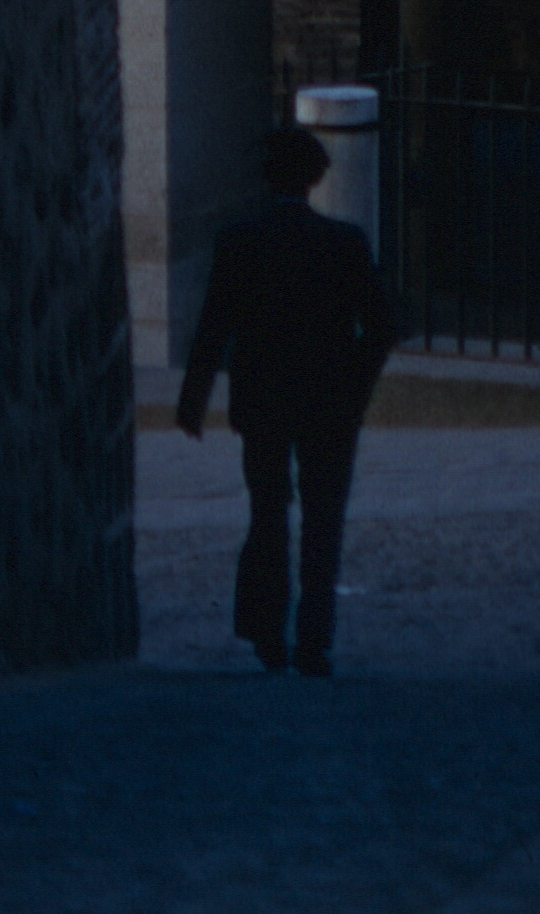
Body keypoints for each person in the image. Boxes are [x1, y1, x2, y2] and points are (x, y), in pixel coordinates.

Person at [177, 121, 395, 677]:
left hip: (265, 397)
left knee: (268, 513)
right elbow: (383, 325)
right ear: (315, 180)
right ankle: (314, 640)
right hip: (329, 401)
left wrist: (194, 398)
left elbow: (213, 326)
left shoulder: (240, 241)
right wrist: (356, 383)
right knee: (324, 520)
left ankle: (268, 632)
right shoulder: (345, 243)